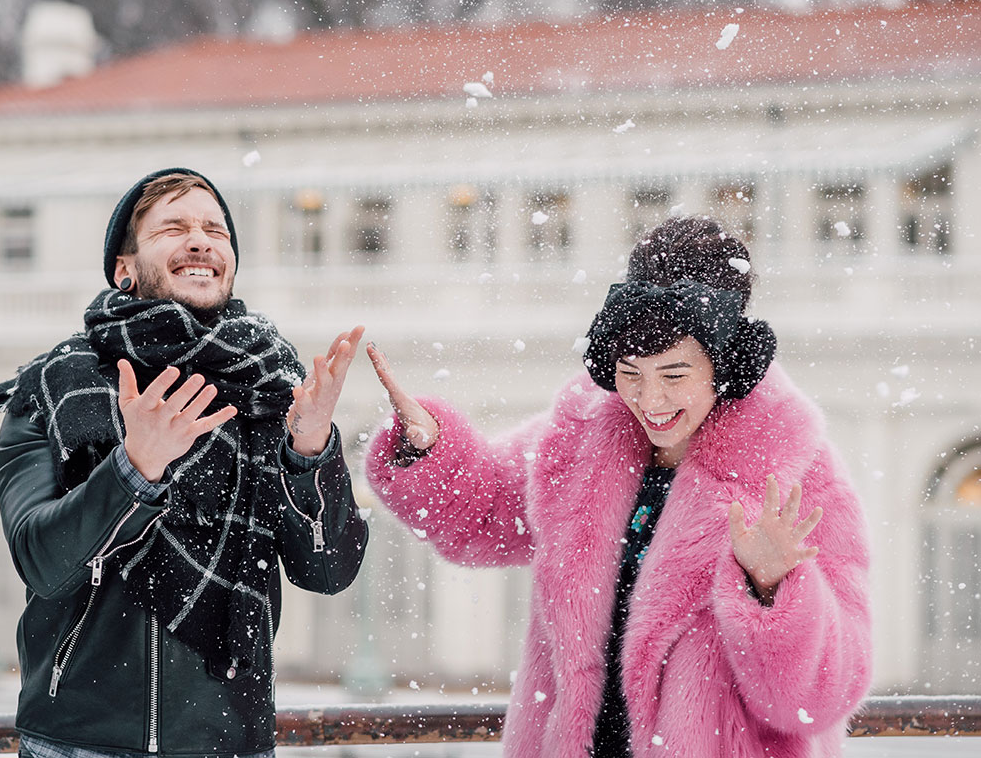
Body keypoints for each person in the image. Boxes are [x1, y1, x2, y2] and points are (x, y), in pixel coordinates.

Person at [364, 217, 870, 758]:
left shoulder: (797, 472)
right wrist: (426, 449)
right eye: (630, 373)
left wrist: (772, 590)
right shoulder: (580, 436)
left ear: (725, 365)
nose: (650, 399)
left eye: (674, 375)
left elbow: (821, 697)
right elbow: (483, 515)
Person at [0, 168, 369, 758]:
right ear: (124, 268)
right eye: (174, 228)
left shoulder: (270, 390)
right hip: (80, 742)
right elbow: (41, 560)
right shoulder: (54, 389)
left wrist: (309, 451)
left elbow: (328, 569)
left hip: (228, 743)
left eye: (216, 229)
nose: (200, 240)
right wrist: (134, 469)